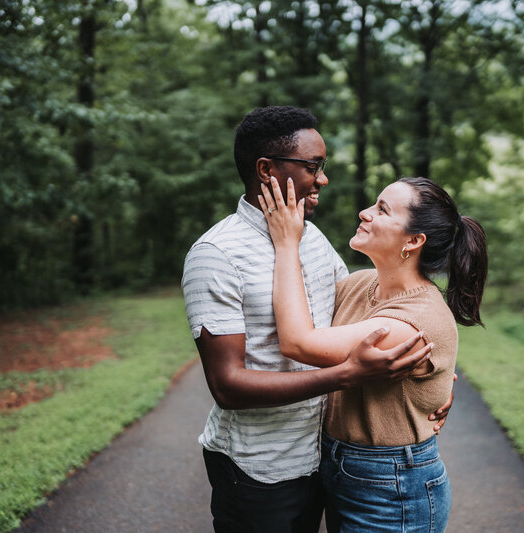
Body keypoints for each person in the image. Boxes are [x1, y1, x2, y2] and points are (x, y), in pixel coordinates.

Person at [181, 106, 451, 533]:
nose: (322, 178)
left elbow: (363, 318)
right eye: (313, 166)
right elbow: (228, 386)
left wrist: (431, 381)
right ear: (266, 170)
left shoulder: (313, 238)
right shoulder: (217, 254)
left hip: (324, 460)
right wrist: (346, 375)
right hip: (261, 469)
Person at [259, 174, 488, 532]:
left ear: (413, 240)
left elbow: (298, 342)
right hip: (341, 468)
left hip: (392, 487)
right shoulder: (361, 283)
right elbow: (299, 308)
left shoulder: (414, 320)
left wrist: (287, 241)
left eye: (382, 210)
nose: (365, 213)